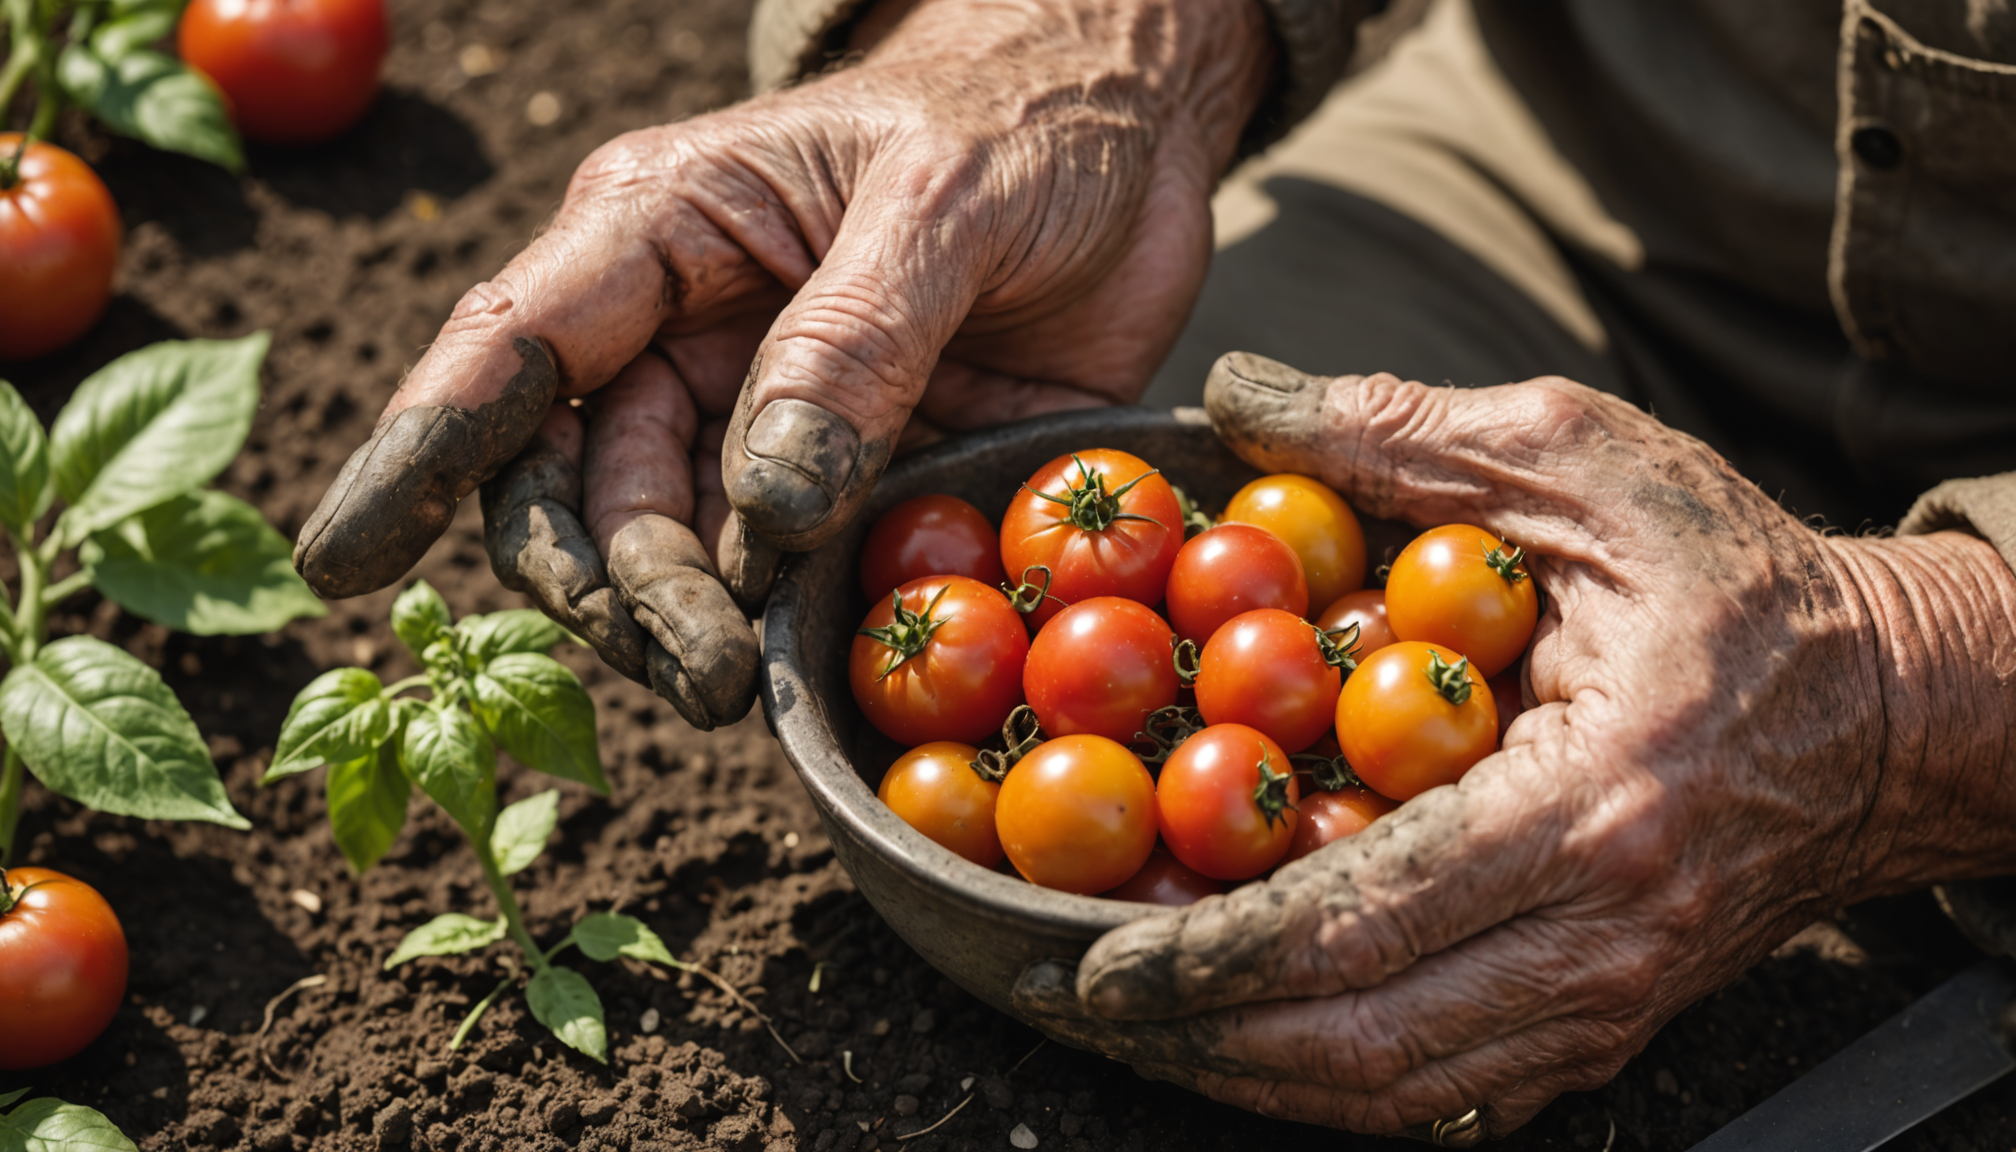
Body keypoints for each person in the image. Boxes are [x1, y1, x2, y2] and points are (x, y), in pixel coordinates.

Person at [293, 0, 2016, 1141]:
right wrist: (1092, 48)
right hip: (1582, 165)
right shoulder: (1194, 621)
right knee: (1130, 431)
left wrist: (1911, 678)